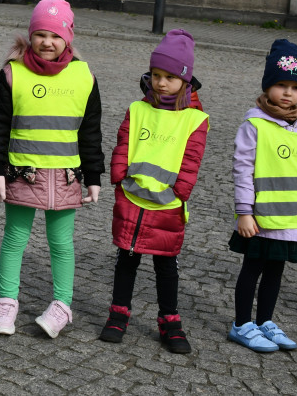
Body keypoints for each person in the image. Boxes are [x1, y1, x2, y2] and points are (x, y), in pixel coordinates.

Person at [0, 0, 104, 339]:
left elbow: (90, 131)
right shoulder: (12, 74)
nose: (47, 42)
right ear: (30, 35)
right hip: (22, 174)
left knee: (61, 243)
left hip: (66, 177)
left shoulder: (84, 76)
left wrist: (94, 176)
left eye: (55, 35)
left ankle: (62, 305)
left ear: (68, 38)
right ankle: (6, 302)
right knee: (15, 238)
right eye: (40, 34)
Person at [97, 30, 208, 353]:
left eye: (170, 77)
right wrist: (119, 175)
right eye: (157, 75)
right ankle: (118, 314)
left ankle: (170, 320)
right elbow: (124, 143)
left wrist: (181, 191)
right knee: (126, 260)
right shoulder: (138, 109)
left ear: (185, 80)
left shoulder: (194, 119)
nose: (161, 83)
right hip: (132, 198)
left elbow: (191, 159)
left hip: (168, 204)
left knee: (166, 266)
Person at [227, 39, 297, 353]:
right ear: (268, 86)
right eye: (280, 84)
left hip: (293, 216)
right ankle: (242, 324)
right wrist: (244, 211)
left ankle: (265, 321)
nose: (287, 93)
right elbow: (242, 169)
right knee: (252, 268)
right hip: (261, 217)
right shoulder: (254, 124)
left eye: (295, 87)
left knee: (275, 272)